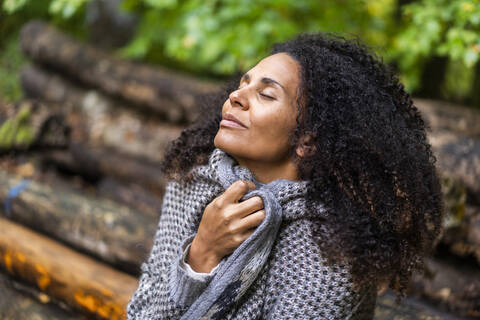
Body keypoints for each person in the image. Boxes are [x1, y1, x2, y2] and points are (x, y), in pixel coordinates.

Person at [126, 32, 444, 320]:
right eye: (242, 84)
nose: (236, 97)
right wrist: (201, 254)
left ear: (307, 140)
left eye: (266, 94)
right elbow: (142, 313)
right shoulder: (191, 185)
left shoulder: (331, 247)